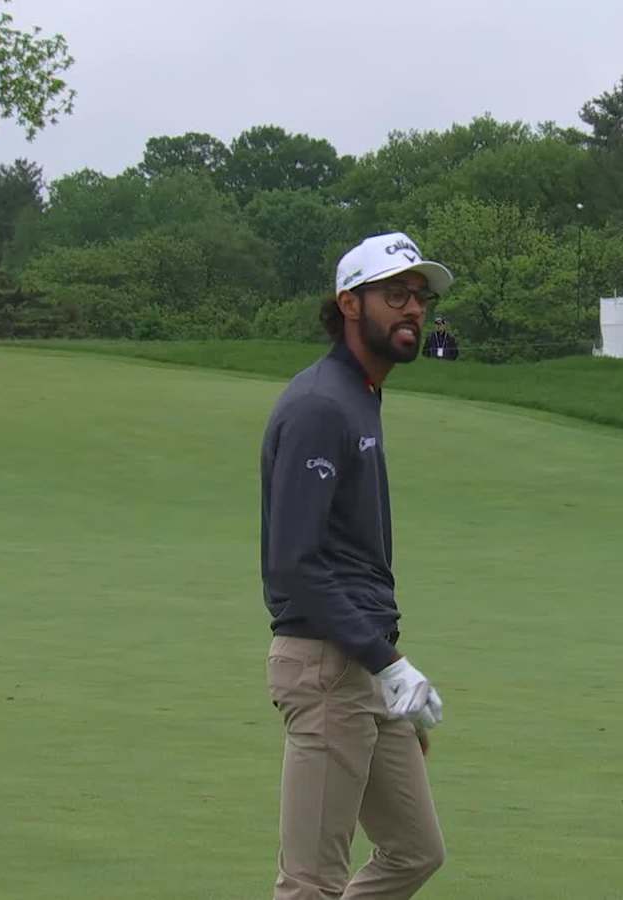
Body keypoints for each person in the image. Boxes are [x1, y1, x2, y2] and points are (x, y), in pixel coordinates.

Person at [259, 231, 450, 899]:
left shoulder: (361, 394)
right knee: (311, 884)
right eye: (395, 294)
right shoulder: (320, 404)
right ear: (349, 303)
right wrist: (386, 663)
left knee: (413, 852)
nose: (413, 310)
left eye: (420, 297)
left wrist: (386, 676)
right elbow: (296, 563)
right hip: (324, 665)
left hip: (364, 666)